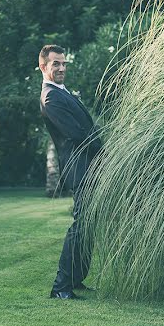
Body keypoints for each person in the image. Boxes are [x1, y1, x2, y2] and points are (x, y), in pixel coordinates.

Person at [38, 44, 102, 300]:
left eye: (64, 63)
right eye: (56, 64)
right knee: (82, 225)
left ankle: (75, 280)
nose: (62, 68)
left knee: (88, 225)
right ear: (44, 67)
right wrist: (104, 145)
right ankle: (60, 287)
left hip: (90, 166)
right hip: (80, 168)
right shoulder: (50, 97)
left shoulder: (62, 92)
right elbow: (77, 134)